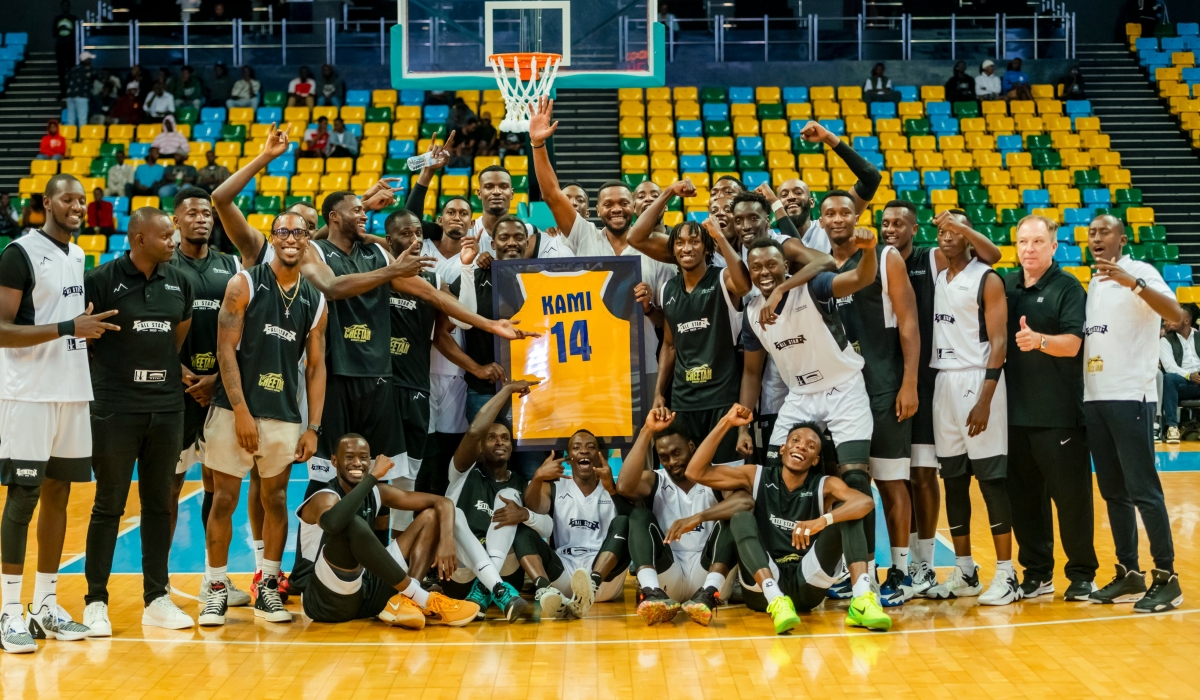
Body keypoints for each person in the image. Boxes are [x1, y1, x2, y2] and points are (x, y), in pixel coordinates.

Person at [211, 126, 529, 493]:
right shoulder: (315, 253)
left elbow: (434, 296)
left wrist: (490, 324)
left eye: (365, 210)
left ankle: (379, 546)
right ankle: (315, 549)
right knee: (323, 479)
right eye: (359, 210)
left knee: (380, 480)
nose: (367, 215)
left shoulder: (376, 253)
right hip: (333, 379)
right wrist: (391, 269)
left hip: (380, 380)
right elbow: (331, 287)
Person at [0, 175, 117, 653]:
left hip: (72, 391)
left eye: (82, 200)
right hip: (27, 393)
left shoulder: (77, 255)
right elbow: (2, 330)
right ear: (46, 202)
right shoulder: (19, 252)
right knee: (24, 497)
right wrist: (72, 326)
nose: (77, 206)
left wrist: (80, 334)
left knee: (59, 495)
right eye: (68, 199)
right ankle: (9, 612)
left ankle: (44, 605)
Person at [201, 210, 327, 626]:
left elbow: (315, 367)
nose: (291, 238)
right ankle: (216, 589)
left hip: (284, 415)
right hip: (233, 409)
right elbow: (225, 349)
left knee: (275, 501)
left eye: (299, 232)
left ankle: (268, 586)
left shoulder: (316, 298)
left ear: (309, 239)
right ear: (272, 237)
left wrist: (313, 427)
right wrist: (240, 411)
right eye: (283, 231)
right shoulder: (245, 282)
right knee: (224, 499)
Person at [81, 207, 197, 633]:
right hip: (115, 408)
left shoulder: (179, 280)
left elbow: (176, 338)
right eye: (166, 235)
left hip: (167, 408)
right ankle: (95, 600)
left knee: (157, 504)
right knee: (108, 505)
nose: (174, 241)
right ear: (139, 239)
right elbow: (87, 342)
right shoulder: (100, 281)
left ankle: (157, 597)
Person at [880, 200, 1001, 598]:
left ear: (915, 228)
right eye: (886, 222)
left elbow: (989, 255)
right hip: (892, 375)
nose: (891, 228)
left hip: (933, 378)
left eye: (900, 222)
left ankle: (925, 565)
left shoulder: (934, 258)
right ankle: (918, 564)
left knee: (924, 473)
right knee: (899, 475)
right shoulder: (877, 261)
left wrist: (956, 227)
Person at [686, 406, 892, 634]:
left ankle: (862, 598)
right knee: (740, 517)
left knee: (849, 513)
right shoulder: (756, 475)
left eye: (811, 446)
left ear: (815, 460)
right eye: (795, 440)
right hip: (762, 589)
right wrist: (726, 422)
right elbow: (696, 472)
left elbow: (865, 503)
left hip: (808, 582)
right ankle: (777, 600)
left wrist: (823, 520)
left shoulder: (825, 485)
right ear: (783, 449)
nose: (802, 446)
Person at [529, 97, 676, 402]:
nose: (617, 209)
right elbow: (553, 196)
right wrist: (538, 146)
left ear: (635, 207)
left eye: (624, 203)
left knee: (643, 445)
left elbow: (670, 321)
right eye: (608, 204)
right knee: (592, 439)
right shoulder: (585, 235)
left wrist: (649, 306)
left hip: (643, 358)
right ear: (596, 210)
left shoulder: (657, 251)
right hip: (590, 357)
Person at [822, 191, 922, 606]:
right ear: (822, 221)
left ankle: (901, 570)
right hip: (843, 390)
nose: (838, 218)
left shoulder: (885, 257)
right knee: (851, 483)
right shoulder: (821, 266)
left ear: (857, 215)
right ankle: (860, 571)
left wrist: (909, 382)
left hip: (883, 383)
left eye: (846, 211)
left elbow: (909, 322)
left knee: (892, 479)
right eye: (829, 213)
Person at [381, 208, 508, 533]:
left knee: (411, 475)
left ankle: (401, 550)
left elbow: (457, 323)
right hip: (376, 384)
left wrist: (466, 266)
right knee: (374, 473)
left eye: (417, 235)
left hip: (415, 384)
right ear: (388, 240)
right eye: (405, 234)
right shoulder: (374, 269)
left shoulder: (433, 278)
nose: (413, 240)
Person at [1083, 214, 1184, 612]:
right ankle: (1129, 572)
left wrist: (1135, 284)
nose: (1096, 238)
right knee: (1114, 493)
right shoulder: (1092, 283)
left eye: (1104, 232)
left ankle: (1167, 577)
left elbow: (1175, 314)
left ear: (1122, 239)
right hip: (1096, 398)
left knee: (1144, 490)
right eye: (1091, 233)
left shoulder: (1141, 271)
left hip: (1132, 397)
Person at [159, 187, 250, 608]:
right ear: (175, 221)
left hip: (217, 391)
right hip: (173, 392)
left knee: (218, 486)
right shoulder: (162, 265)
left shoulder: (231, 265)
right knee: (169, 488)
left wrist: (217, 377)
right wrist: (182, 375)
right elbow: (153, 324)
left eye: (207, 213)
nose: (202, 219)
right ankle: (157, 581)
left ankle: (215, 580)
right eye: (192, 213)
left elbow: (241, 331)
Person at [924, 210, 1018, 606]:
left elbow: (999, 343)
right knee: (954, 479)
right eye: (942, 230)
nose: (947, 236)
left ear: (969, 236)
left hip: (979, 379)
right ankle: (965, 572)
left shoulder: (987, 277)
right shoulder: (937, 275)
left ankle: (1007, 575)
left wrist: (985, 398)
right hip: (943, 380)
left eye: (956, 230)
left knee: (991, 479)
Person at [1003, 215, 1098, 601]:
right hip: (1013, 416)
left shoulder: (1068, 287)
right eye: (1024, 242)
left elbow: (1075, 344)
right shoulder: (1006, 285)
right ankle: (1037, 574)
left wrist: (1038, 340)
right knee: (1025, 502)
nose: (1030, 249)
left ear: (1054, 246)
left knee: (1071, 500)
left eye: (1038, 242)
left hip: (1059, 415)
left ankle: (1081, 574)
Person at [291, 434, 478, 627]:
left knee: (430, 516)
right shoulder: (324, 497)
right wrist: (373, 477)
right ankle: (422, 597)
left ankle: (407, 602)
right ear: (334, 461)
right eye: (349, 457)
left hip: (365, 594)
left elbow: (443, 503)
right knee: (351, 522)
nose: (357, 463)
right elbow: (333, 524)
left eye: (364, 457)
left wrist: (446, 540)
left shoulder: (376, 492)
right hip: (325, 599)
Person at [617, 408, 750, 626]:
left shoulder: (716, 475)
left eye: (676, 453)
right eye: (664, 457)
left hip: (709, 573)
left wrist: (698, 517)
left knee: (733, 518)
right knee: (639, 516)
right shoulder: (656, 479)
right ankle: (651, 592)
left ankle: (708, 594)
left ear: (691, 447)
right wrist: (647, 431)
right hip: (668, 574)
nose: (671, 462)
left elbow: (746, 503)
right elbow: (623, 486)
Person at [650, 215, 752, 466]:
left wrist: (719, 237)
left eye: (695, 241)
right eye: (680, 242)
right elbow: (670, 345)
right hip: (684, 401)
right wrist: (658, 393)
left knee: (726, 475)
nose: (687, 247)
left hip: (722, 398)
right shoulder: (667, 290)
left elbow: (744, 285)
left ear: (706, 247)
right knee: (688, 474)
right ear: (673, 249)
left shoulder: (723, 278)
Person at [443, 382, 547, 621]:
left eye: (505, 438)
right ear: (480, 447)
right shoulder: (462, 473)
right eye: (491, 438)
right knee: (453, 513)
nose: (500, 442)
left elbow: (544, 527)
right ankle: (494, 589)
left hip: (507, 573)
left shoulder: (520, 484)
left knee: (512, 501)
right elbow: (473, 432)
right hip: (462, 575)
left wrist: (525, 515)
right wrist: (507, 391)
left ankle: (487, 589)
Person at [519, 432, 633, 618]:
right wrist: (539, 476)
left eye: (591, 447)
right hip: (564, 577)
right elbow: (531, 507)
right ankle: (546, 590)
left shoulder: (614, 488)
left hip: (603, 581)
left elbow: (633, 524)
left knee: (624, 521)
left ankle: (591, 585)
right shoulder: (554, 487)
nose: (583, 451)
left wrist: (612, 489)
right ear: (569, 458)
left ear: (598, 455)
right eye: (577, 447)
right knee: (522, 529)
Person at [1160, 303, 1200, 443]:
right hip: (1183, 383)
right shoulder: (1166, 341)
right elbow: (1170, 366)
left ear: (1186, 320)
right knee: (1169, 378)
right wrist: (1190, 375)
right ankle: (1172, 426)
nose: (1167, 320)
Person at [64, 52, 95, 128]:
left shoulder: (73, 69)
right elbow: (98, 76)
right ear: (86, 60)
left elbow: (66, 81)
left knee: (71, 119)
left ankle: (71, 138)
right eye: (89, 59)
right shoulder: (89, 70)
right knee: (82, 119)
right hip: (82, 96)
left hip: (70, 95)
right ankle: (82, 138)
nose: (91, 60)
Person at [53, 0, 78, 95]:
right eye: (63, 5)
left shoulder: (74, 18)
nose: (65, 7)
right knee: (61, 70)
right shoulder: (57, 19)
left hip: (71, 47)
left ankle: (71, 89)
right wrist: (60, 28)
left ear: (69, 7)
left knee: (72, 70)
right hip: (60, 47)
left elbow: (76, 32)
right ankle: (63, 91)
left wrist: (68, 29)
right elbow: (54, 33)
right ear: (61, 7)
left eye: (67, 5)